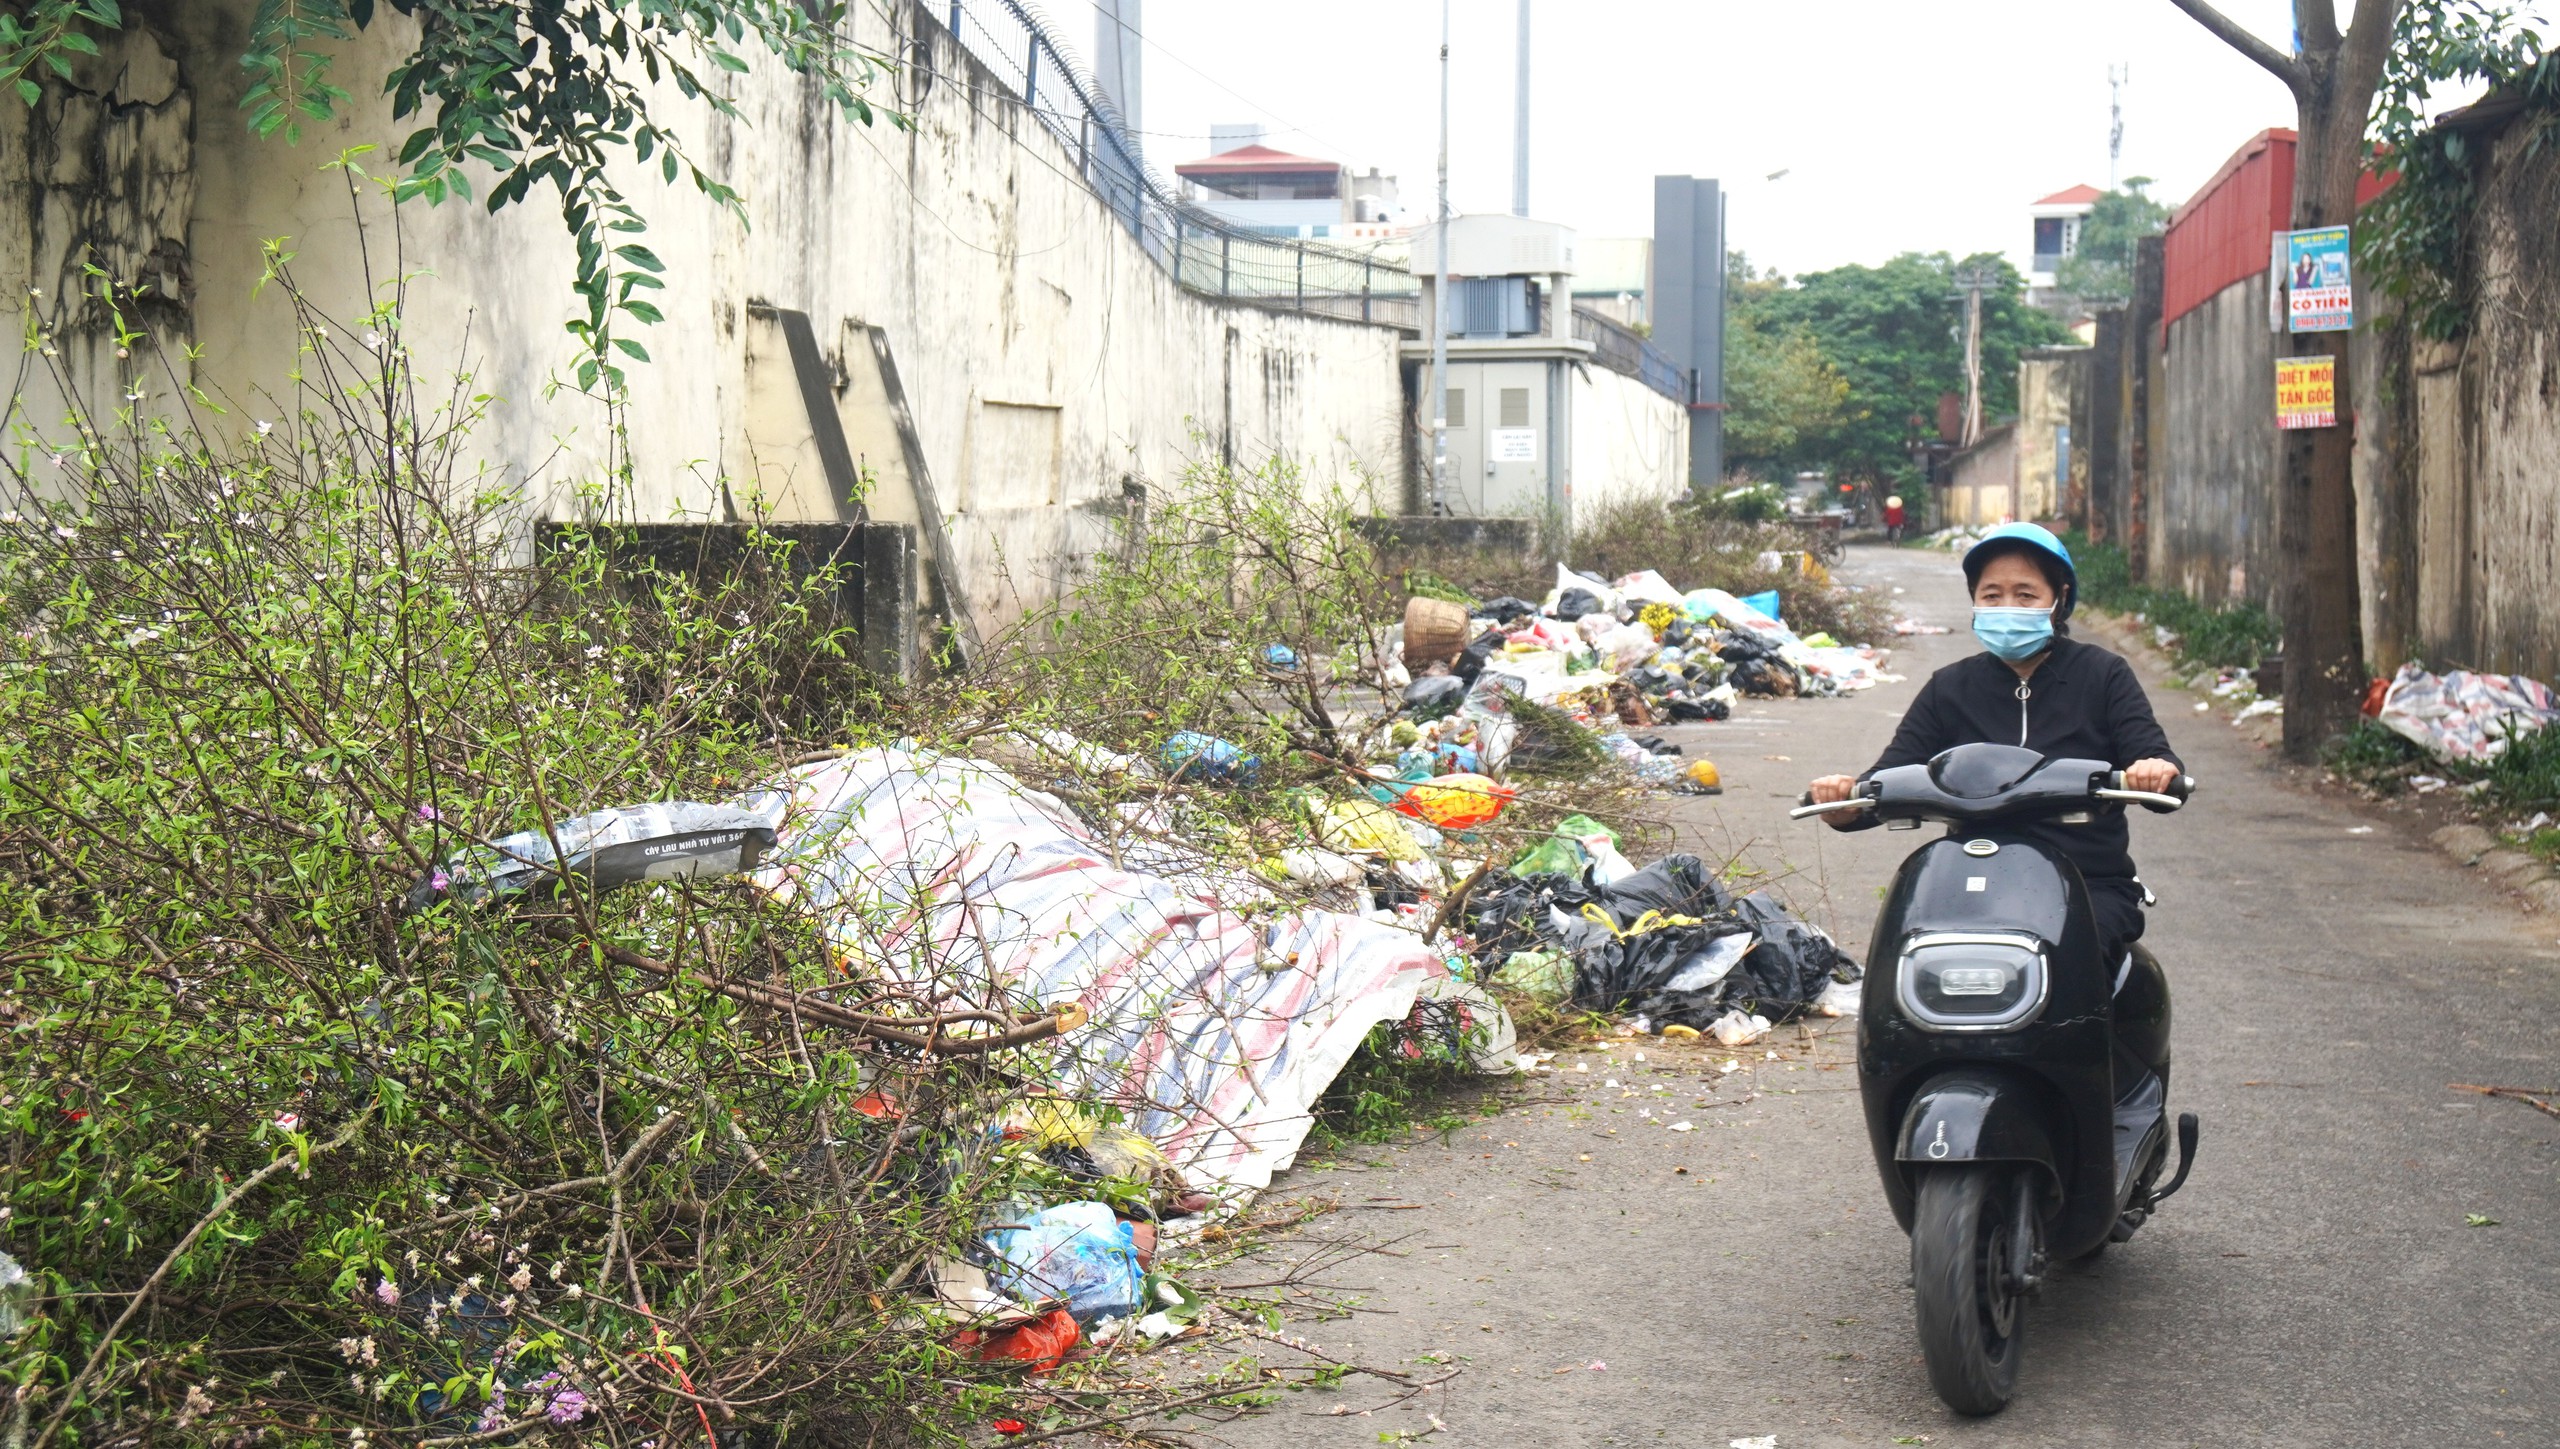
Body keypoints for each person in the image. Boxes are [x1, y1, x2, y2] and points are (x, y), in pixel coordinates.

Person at [1805, 523, 2181, 959]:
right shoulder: (1949, 687)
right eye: (1992, 595)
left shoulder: (2103, 675)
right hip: (1968, 882)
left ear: (2059, 599)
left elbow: (2157, 764)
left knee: (2072, 960)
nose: (2008, 607)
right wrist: (1845, 802)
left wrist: (2154, 771)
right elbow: (1888, 777)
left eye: (2026, 595)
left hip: (2086, 883)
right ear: (1975, 601)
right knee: (1906, 957)